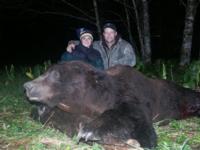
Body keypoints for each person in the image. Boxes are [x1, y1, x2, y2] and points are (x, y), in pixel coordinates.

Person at [66, 23, 136, 69]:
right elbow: (85, 42)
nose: (109, 35)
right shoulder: (97, 44)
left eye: (111, 32)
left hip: (119, 76)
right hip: (103, 76)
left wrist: (113, 64)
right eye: (106, 32)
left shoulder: (125, 45)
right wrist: (71, 43)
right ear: (103, 34)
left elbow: (132, 61)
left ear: (115, 33)